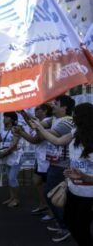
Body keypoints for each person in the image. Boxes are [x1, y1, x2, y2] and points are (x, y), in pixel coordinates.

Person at [32, 103, 93, 246]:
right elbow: (57, 141)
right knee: (70, 221)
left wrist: (84, 177)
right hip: (73, 190)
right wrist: (40, 128)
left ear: (83, 118)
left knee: (81, 229)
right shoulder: (75, 132)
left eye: (75, 115)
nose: (73, 118)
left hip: (88, 195)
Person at [17, 95, 75, 243]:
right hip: (53, 164)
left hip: (62, 166)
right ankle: (62, 223)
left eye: (56, 103)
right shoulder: (52, 120)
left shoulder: (67, 122)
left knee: (54, 196)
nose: (53, 105)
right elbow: (35, 125)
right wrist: (23, 112)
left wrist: (38, 126)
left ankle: (65, 226)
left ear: (65, 107)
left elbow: (49, 136)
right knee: (52, 195)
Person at [14, 104, 53, 215]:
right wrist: (23, 113)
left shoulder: (49, 121)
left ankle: (51, 211)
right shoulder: (41, 122)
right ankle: (43, 205)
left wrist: (21, 132)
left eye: (37, 109)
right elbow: (32, 124)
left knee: (48, 185)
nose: (35, 111)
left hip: (47, 159)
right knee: (37, 181)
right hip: (41, 158)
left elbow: (36, 139)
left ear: (45, 111)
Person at [0, 112, 23, 208]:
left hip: (16, 156)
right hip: (7, 156)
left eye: (6, 117)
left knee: (12, 178)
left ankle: (16, 199)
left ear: (12, 119)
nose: (4, 118)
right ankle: (12, 197)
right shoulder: (4, 130)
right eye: (4, 117)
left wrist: (5, 153)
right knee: (9, 178)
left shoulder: (16, 129)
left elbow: (14, 144)